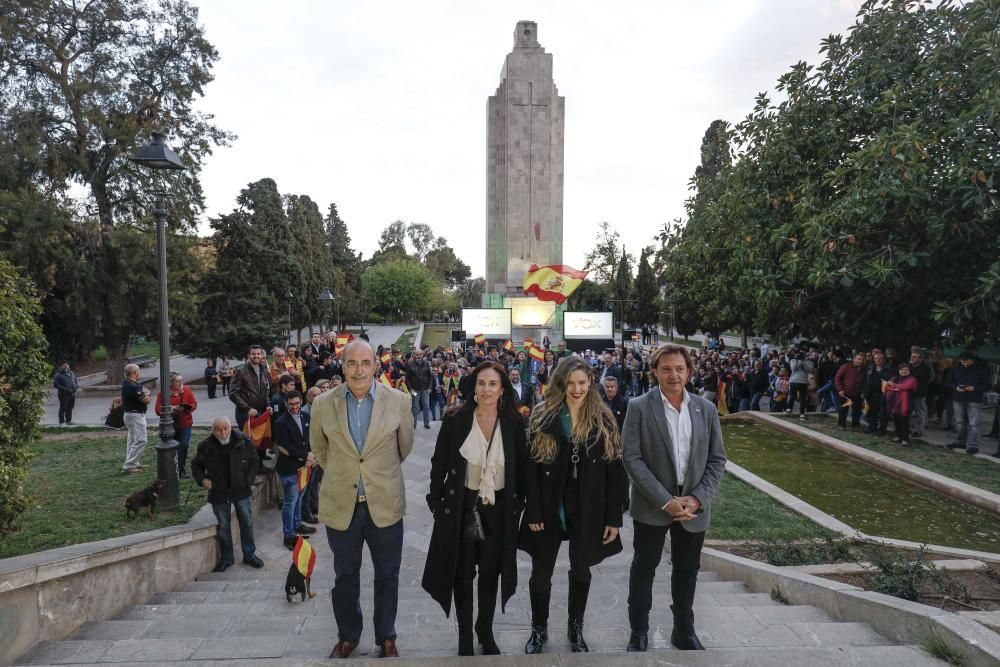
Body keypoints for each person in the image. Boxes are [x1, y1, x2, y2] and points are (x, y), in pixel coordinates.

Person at [310, 340, 414, 660]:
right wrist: (347, 475)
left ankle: (386, 637)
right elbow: (321, 450)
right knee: (345, 576)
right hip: (342, 503)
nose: (359, 370)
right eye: (352, 363)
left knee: (387, 574)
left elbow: (404, 447)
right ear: (342, 366)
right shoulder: (323, 404)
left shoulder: (398, 401)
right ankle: (348, 636)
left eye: (365, 363)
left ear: (375, 366)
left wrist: (374, 474)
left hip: (384, 501)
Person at [622, 344, 727, 652]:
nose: (673, 375)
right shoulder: (639, 406)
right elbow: (632, 457)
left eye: (680, 369)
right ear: (654, 372)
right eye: (666, 369)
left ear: (689, 371)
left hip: (693, 508)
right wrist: (665, 501)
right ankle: (638, 631)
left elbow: (717, 459)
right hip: (653, 507)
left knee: (687, 569)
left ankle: (684, 630)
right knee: (644, 567)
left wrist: (697, 498)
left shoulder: (705, 409)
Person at [519, 356, 624, 654]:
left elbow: (616, 472)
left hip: (588, 507)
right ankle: (539, 629)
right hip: (550, 506)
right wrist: (534, 510)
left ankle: (575, 627)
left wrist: (613, 518)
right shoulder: (542, 415)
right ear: (560, 383)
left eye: (582, 382)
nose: (576, 389)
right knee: (540, 575)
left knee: (581, 571)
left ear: (590, 382)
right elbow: (531, 469)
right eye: (570, 383)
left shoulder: (603, 419)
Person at [421, 361, 527, 656]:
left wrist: (520, 503)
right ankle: (465, 634)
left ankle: (485, 629)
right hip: (463, 506)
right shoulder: (456, 419)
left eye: (493, 384)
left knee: (492, 571)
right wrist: (435, 500)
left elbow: (523, 467)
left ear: (502, 388)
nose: (487, 389)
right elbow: (439, 462)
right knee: (462, 572)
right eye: (481, 383)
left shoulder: (515, 422)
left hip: (499, 508)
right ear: (474, 386)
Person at [191, 416, 263, 571]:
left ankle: (249, 554)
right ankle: (227, 558)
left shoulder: (243, 441)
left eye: (226, 429)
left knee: (247, 523)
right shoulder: (205, 446)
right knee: (224, 527)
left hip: (240, 490)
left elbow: (255, 461)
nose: (223, 433)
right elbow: (196, 465)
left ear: (231, 428)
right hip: (219, 492)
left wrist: (247, 480)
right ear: (213, 431)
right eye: (219, 430)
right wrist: (202, 479)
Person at [273, 391, 317, 550]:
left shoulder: (306, 416)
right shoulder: (281, 422)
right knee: (290, 502)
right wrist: (306, 455)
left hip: (304, 467)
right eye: (291, 404)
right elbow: (284, 447)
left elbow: (309, 438)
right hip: (289, 469)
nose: (294, 407)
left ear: (301, 401)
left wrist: (312, 456)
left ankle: (297, 525)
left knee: (299, 497)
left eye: (297, 403)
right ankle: (288, 535)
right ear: (286, 403)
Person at [946, 351, 991, 455]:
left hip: (974, 399)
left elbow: (988, 386)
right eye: (963, 362)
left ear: (973, 361)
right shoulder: (955, 369)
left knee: (974, 424)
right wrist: (955, 387)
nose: (966, 364)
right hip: (958, 398)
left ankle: (973, 446)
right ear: (960, 360)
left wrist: (974, 388)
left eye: (968, 362)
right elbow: (948, 383)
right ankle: (960, 442)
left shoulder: (981, 370)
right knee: (960, 422)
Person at [154, 373, 198, 478]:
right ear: (171, 382)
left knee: (183, 445)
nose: (180, 383)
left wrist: (188, 407)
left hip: (185, 424)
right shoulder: (163, 393)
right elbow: (157, 410)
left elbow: (194, 403)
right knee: (171, 448)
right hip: (170, 425)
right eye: (177, 381)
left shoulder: (186, 390)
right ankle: (171, 470)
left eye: (181, 380)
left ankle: (181, 469)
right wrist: (171, 408)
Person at [229, 345, 271, 431]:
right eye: (253, 354)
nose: (256, 356)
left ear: (261, 355)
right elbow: (233, 394)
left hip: (260, 413)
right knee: (247, 442)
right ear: (249, 355)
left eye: (258, 354)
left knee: (258, 441)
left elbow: (266, 390)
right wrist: (247, 408)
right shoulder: (240, 371)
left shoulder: (264, 370)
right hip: (245, 414)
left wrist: (268, 405)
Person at [121, 363, 151, 473]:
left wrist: (146, 392)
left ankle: (133, 463)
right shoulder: (131, 386)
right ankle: (129, 465)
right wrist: (146, 394)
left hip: (131, 415)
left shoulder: (129, 383)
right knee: (141, 440)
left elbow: (145, 391)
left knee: (132, 440)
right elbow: (146, 399)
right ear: (135, 373)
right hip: (135, 416)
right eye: (139, 371)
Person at [885, 363, 917, 446]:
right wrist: (896, 386)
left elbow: (906, 387)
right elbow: (888, 387)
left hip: (905, 404)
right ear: (898, 371)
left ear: (909, 371)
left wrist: (895, 386)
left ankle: (905, 439)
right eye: (902, 370)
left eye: (906, 370)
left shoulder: (912, 379)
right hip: (895, 403)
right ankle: (898, 436)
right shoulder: (895, 378)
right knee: (896, 420)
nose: (904, 371)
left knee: (904, 421)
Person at [835, 352, 867, 430]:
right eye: (858, 359)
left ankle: (855, 425)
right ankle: (841, 425)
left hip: (858, 393)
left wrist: (863, 392)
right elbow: (837, 378)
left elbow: (866, 382)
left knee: (857, 411)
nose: (860, 361)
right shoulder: (846, 366)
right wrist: (840, 389)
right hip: (845, 392)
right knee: (843, 410)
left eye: (862, 360)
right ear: (854, 359)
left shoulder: (865, 369)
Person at [405, 347, 434, 429]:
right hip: (415, 390)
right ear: (414, 355)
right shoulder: (410, 365)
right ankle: (414, 423)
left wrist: (430, 387)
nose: (419, 356)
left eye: (420, 354)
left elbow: (430, 377)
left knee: (426, 406)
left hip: (425, 389)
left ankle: (427, 423)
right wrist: (411, 389)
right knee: (415, 407)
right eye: (417, 354)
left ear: (422, 354)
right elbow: (407, 379)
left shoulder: (426, 364)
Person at [908, 349, 933, 438]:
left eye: (914, 357)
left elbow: (921, 378)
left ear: (920, 359)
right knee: (908, 411)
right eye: (911, 357)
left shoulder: (926, 368)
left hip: (919, 393)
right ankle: (907, 428)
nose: (912, 358)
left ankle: (918, 430)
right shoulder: (909, 366)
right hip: (908, 392)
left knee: (919, 412)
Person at [53, 360, 79, 425]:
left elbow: (75, 380)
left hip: (72, 393)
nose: (66, 366)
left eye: (67, 365)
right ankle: (61, 421)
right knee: (63, 407)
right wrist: (65, 389)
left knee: (70, 407)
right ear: (61, 366)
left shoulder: (71, 373)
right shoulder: (58, 375)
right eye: (64, 365)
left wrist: (76, 386)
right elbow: (56, 384)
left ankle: (68, 420)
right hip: (63, 394)